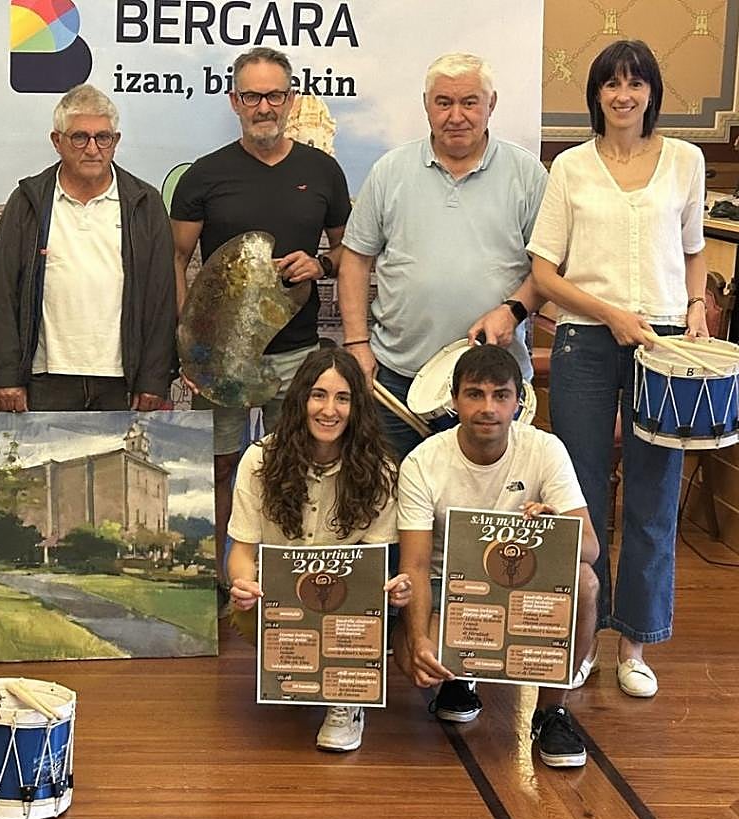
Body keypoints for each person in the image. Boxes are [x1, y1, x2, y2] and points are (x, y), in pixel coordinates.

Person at [528, 40, 706, 699]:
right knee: (581, 496)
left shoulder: (686, 162)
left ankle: (635, 642)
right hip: (585, 341)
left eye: (636, 83)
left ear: (653, 92)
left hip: (663, 346)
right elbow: (545, 273)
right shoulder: (570, 167)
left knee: (655, 496)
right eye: (611, 84)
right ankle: (580, 640)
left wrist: (692, 307)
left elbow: (692, 252)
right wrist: (609, 313)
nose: (623, 94)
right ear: (595, 94)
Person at [171, 47, 351, 582]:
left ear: (291, 100)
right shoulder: (205, 175)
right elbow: (176, 260)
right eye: (252, 95)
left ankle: (282, 583)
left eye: (275, 94)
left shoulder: (323, 171)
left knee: (292, 470)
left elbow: (351, 254)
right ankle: (221, 583)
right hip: (219, 361)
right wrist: (189, 347)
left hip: (297, 355)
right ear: (234, 101)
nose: (264, 105)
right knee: (219, 468)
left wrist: (318, 262)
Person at [395, 345, 599, 768]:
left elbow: (591, 549)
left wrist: (550, 531)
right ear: (454, 400)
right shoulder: (422, 461)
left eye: (500, 395)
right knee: (411, 647)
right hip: (450, 588)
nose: (488, 408)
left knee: (584, 582)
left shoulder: (545, 449)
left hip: (524, 584)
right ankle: (457, 679)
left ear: (518, 401)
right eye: (474, 394)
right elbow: (413, 565)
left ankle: (551, 712)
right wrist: (417, 640)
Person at [338, 52, 549, 460]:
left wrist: (512, 311)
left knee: (483, 509)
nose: (456, 115)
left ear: (492, 104)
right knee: (393, 500)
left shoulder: (528, 175)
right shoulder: (389, 171)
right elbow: (355, 260)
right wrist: (357, 343)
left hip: (492, 383)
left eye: (470, 102)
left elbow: (548, 269)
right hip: (397, 376)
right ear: (427, 106)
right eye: (443, 102)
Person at [226, 347, 410, 752]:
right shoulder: (259, 460)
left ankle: (347, 701)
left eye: (343, 398)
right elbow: (241, 549)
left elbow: (375, 563)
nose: (330, 410)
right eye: (318, 395)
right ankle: (295, 665)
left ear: (357, 406)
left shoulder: (380, 469)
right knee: (247, 614)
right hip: (278, 598)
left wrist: (391, 592)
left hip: (341, 599)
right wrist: (242, 583)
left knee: (361, 604)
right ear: (300, 401)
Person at [0, 84, 176, 412]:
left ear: (115, 142)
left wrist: (154, 378)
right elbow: (2, 293)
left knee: (117, 464)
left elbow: (161, 298)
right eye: (79, 137)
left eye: (103, 137)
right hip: (46, 380)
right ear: (57, 141)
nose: (92, 149)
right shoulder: (28, 202)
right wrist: (7, 375)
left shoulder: (144, 203)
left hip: (122, 382)